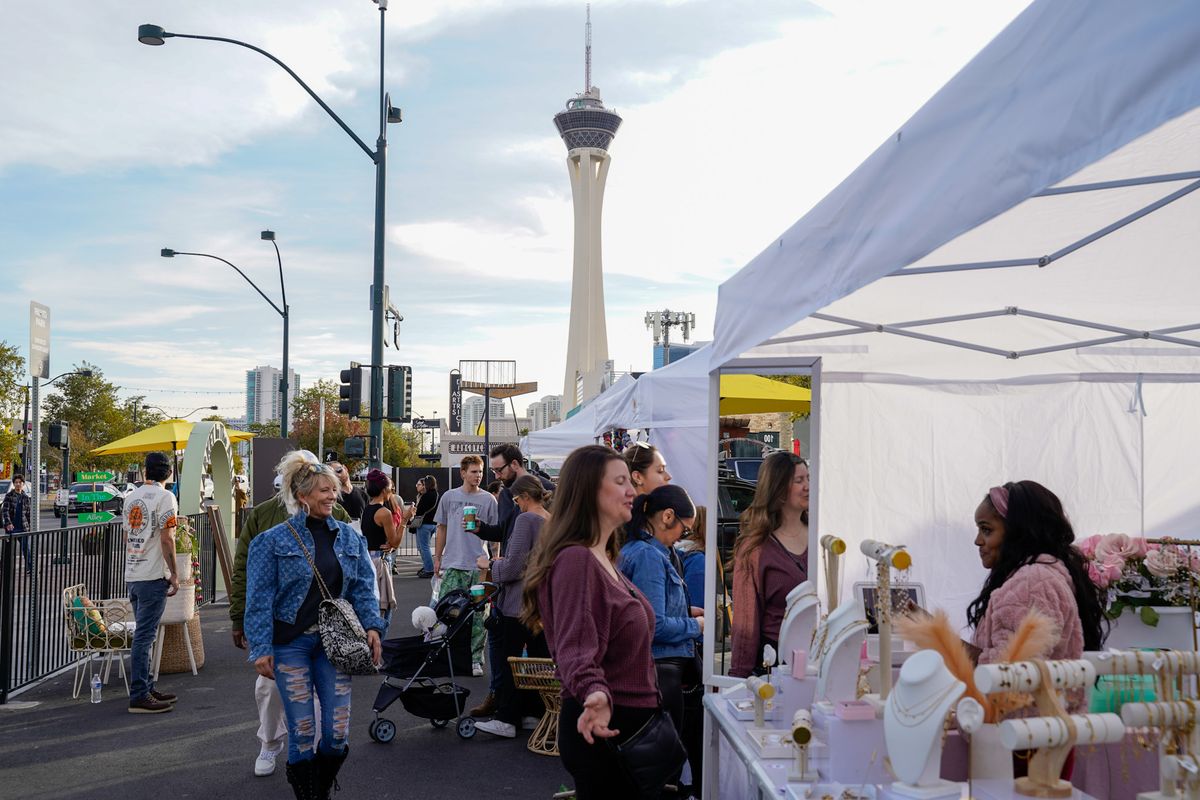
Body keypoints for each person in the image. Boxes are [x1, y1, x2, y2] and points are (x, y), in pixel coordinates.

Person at [521, 445, 664, 799]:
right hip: (606, 731)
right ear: (588, 491)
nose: (632, 490)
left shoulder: (603, 556)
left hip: (627, 728)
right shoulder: (577, 560)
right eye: (620, 482)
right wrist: (595, 692)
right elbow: (575, 649)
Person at [245, 451, 385, 800]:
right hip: (289, 644)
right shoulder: (272, 541)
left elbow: (363, 588)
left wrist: (372, 626)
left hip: (334, 646)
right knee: (303, 731)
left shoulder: (351, 539)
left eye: (334, 489)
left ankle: (318, 788)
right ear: (302, 496)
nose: (332, 496)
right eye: (324, 490)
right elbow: (259, 597)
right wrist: (260, 647)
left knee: (337, 734)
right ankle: (311, 796)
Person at [231, 471, 354, 777]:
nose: (327, 494)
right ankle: (271, 743)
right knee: (271, 692)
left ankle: (310, 762)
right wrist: (239, 618)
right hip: (282, 631)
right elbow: (245, 570)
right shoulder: (264, 515)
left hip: (326, 630)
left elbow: (352, 562)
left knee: (319, 709)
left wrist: (368, 625)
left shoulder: (334, 511)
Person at [619, 484, 703, 792]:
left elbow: (650, 610)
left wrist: (687, 610)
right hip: (661, 670)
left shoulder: (642, 551)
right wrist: (697, 626)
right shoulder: (648, 556)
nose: (682, 537)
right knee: (663, 772)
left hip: (656, 669)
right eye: (683, 529)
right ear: (667, 517)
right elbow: (653, 625)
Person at [968, 481, 1105, 666]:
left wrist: (937, 639)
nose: (977, 541)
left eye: (986, 530)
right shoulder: (1036, 576)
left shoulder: (1031, 584)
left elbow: (1007, 674)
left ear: (1017, 532)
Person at [470, 443, 556, 716]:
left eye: (498, 469)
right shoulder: (547, 518)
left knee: (508, 656)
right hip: (540, 598)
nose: (495, 475)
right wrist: (482, 529)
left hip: (518, 597)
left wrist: (491, 564)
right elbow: (508, 538)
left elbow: (513, 566)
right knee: (538, 658)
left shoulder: (528, 516)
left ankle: (507, 713)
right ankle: (532, 710)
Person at [730, 452, 809, 678]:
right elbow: (746, 622)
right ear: (778, 488)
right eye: (799, 480)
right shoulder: (756, 549)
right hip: (775, 665)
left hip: (819, 659)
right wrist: (739, 679)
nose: (807, 486)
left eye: (808, 478)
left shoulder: (821, 536)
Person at [123, 452, 181, 714]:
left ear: (145, 471)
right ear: (168, 473)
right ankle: (139, 694)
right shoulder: (166, 497)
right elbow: (167, 538)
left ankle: (146, 686)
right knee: (145, 637)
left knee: (143, 636)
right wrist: (174, 573)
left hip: (134, 573)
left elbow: (128, 536)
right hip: (153, 575)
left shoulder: (131, 497)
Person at [433, 455, 498, 676]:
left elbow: (495, 534)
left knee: (479, 614)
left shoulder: (489, 499)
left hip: (478, 565)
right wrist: (437, 557)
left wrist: (493, 561)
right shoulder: (449, 497)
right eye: (473, 471)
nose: (478, 476)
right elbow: (441, 528)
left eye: (480, 472)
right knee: (447, 611)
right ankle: (448, 655)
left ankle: (475, 659)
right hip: (453, 563)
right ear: (462, 473)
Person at [361, 469, 401, 627]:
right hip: (380, 559)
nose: (392, 490)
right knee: (384, 607)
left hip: (369, 557)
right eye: (391, 487)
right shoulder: (384, 512)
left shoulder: (367, 508)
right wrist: (404, 520)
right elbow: (395, 542)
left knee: (373, 601)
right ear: (384, 489)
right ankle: (378, 642)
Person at [624, 441, 672, 535]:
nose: (669, 476)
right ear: (638, 477)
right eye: (660, 470)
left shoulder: (652, 516)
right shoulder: (619, 520)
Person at [2, 473, 33, 574]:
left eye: (20, 482)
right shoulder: (9, 496)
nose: (18, 484)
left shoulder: (25, 497)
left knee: (26, 548)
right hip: (12, 528)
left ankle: (30, 568)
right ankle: (4, 568)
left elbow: (28, 514)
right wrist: (8, 523)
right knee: (8, 550)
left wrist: (29, 527)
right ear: (14, 484)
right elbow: (5, 511)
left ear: (23, 484)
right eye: (16, 483)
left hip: (23, 528)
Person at [411, 476, 439, 579]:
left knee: (424, 547)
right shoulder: (436, 494)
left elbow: (420, 511)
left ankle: (429, 569)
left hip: (424, 523)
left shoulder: (426, 496)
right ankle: (427, 567)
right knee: (423, 546)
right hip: (433, 523)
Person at [325, 456, 367, 523]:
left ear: (345, 468)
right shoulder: (333, 497)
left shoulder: (362, 494)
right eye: (333, 474)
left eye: (339, 470)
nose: (338, 475)